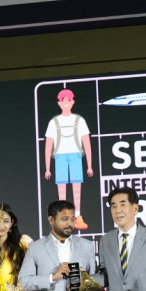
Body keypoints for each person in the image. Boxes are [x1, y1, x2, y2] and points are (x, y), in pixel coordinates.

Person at [44, 88, 94, 230]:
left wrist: (89, 165)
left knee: (76, 187)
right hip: (60, 157)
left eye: (68, 100)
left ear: (73, 102)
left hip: (76, 155)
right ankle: (62, 216)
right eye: (62, 100)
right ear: (59, 103)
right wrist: (47, 168)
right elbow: (48, 145)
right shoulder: (54, 122)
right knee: (62, 188)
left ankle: (77, 216)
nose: (66, 102)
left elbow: (87, 143)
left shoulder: (79, 120)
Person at [0, 203, 32, 290]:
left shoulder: (23, 245)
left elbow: (31, 276)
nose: (1, 226)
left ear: (11, 222)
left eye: (6, 221)